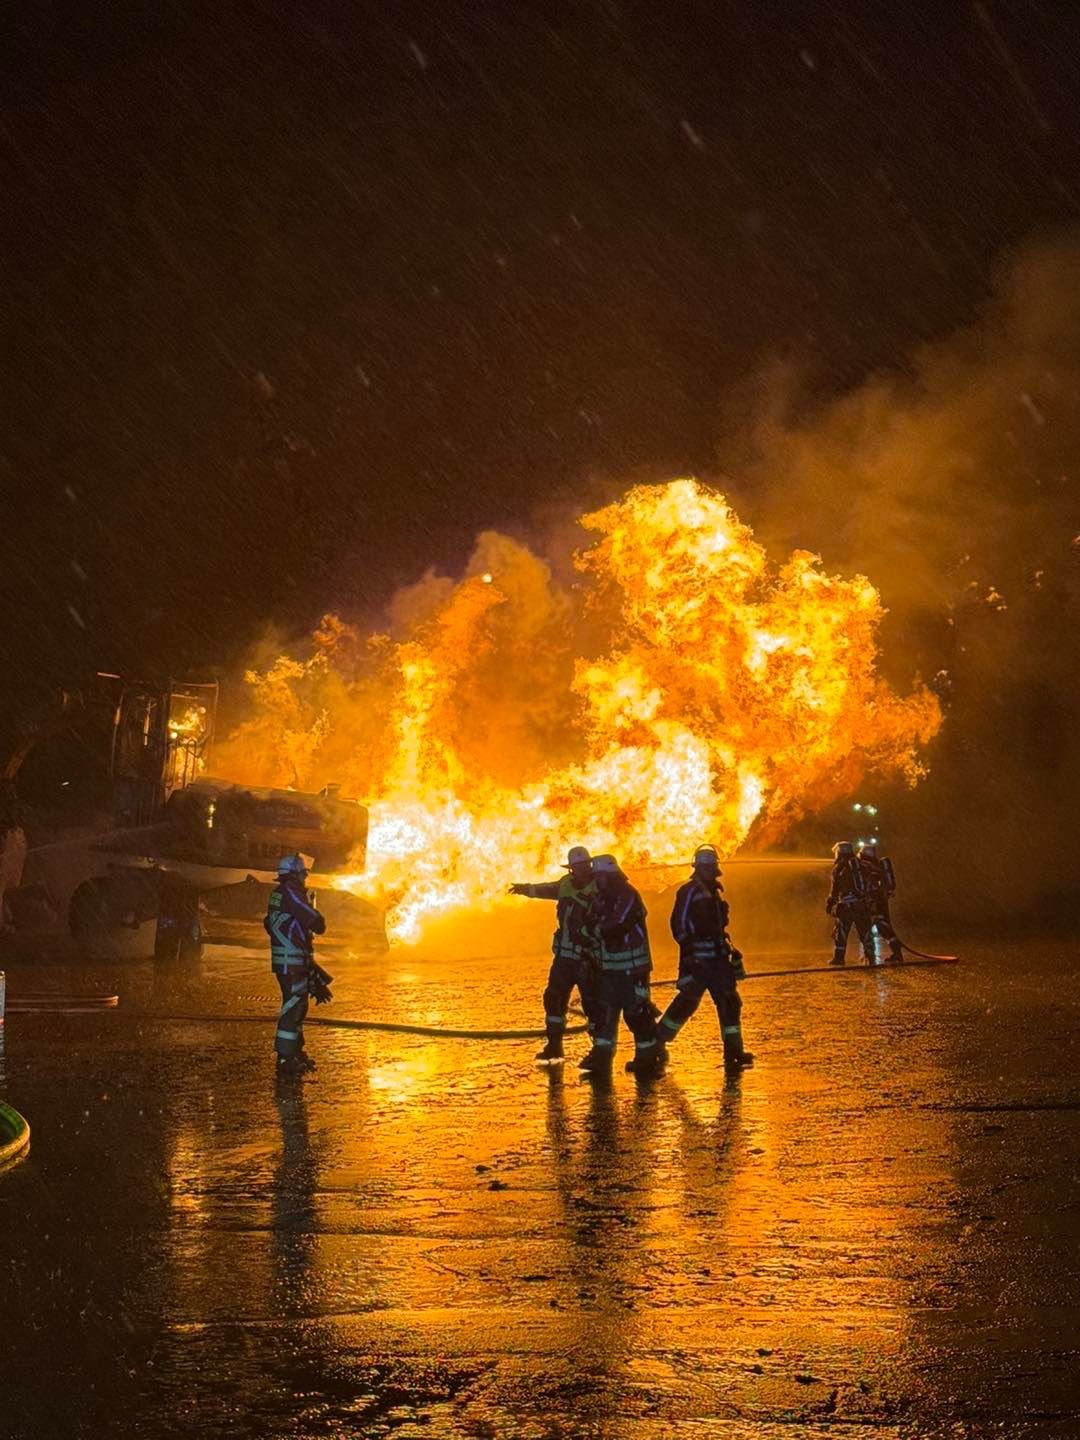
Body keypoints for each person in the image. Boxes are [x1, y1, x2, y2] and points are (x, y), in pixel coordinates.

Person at [655, 845, 753, 1072]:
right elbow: (678, 923)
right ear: (698, 869)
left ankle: (734, 1052)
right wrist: (689, 951)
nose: (710, 871)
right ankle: (657, 1043)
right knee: (686, 1004)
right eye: (706, 868)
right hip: (699, 962)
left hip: (718, 961)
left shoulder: (714, 892)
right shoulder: (688, 891)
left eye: (712, 867)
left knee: (730, 1003)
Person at [509, 845, 602, 1062]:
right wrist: (524, 889)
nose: (582, 870)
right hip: (564, 959)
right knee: (553, 999)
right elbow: (546, 889)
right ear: (571, 869)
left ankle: (599, 1051)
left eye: (584, 865)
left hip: (588, 959)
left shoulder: (600, 888)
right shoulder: (565, 884)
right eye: (577, 867)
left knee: (592, 1004)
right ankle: (554, 1046)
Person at [579, 855, 661, 1078]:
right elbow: (588, 922)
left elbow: (615, 925)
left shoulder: (628, 895)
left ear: (611, 875)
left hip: (633, 970)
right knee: (604, 1014)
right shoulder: (601, 897)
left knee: (637, 1014)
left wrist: (594, 929)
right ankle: (601, 1058)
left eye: (600, 876)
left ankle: (647, 1058)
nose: (597, 880)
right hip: (609, 970)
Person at [265, 853, 326, 1074]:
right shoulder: (291, 892)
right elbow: (314, 921)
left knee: (297, 1005)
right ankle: (285, 1057)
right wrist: (316, 919)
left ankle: (295, 1051)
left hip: (288, 960)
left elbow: (268, 923)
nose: (305, 878)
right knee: (293, 1007)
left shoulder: (278, 894)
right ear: (294, 874)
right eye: (303, 874)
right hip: (292, 962)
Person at [826, 840, 874, 965]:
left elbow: (834, 889)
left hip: (846, 907)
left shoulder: (839, 868)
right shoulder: (861, 865)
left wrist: (830, 903)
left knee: (841, 933)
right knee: (865, 931)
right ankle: (871, 957)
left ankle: (839, 958)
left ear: (839, 852)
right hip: (861, 906)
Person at [857, 841, 903, 963]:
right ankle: (897, 954)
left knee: (866, 929)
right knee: (886, 929)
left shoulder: (865, 866)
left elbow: (866, 886)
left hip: (872, 903)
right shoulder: (876, 866)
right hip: (881, 902)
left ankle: (870, 956)